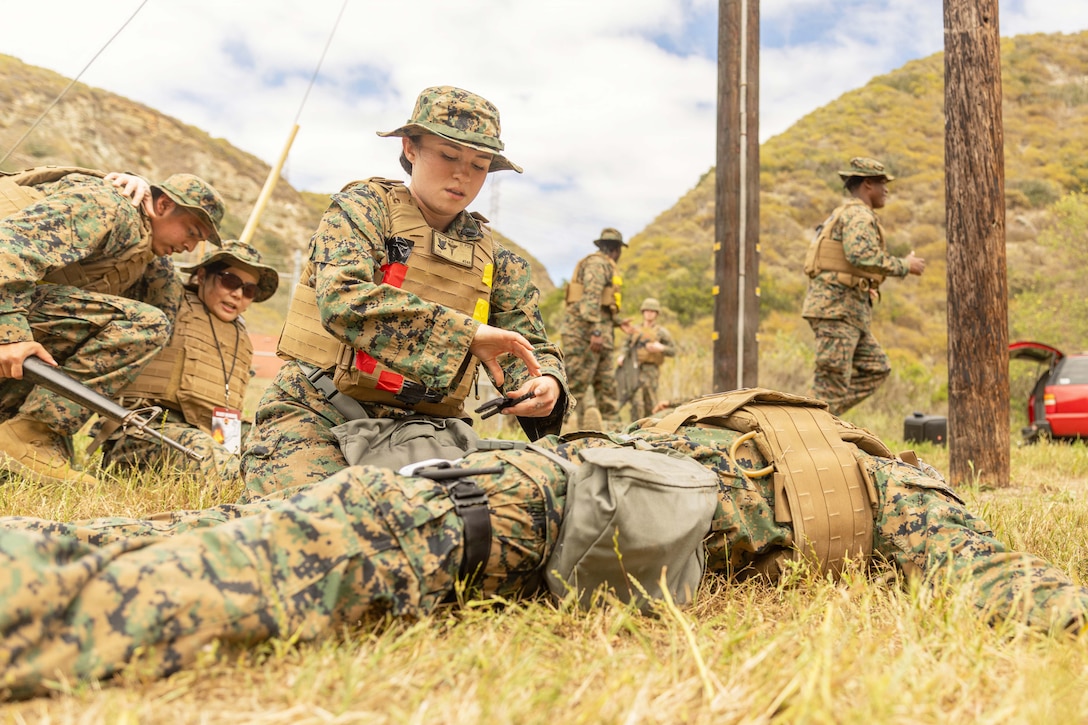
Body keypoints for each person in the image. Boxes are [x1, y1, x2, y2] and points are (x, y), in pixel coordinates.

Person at [1, 387, 1085, 699]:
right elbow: (1000, 577)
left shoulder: (761, 438)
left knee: (225, 530)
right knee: (236, 568)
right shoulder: (882, 483)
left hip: (492, 492)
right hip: (494, 509)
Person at [240, 86, 567, 498]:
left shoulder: (499, 261)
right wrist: (466, 335)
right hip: (320, 412)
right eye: (448, 156)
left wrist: (544, 383)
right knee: (321, 527)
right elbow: (343, 299)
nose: (462, 175)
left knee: (524, 511)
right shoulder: (363, 209)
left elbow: (529, 345)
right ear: (410, 148)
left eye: (479, 165)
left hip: (428, 432)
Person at [0, 167, 225, 484]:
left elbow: (169, 300)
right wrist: (8, 335)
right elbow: (9, 248)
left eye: (199, 240)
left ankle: (24, 437)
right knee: (144, 324)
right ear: (161, 206)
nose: (191, 247)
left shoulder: (147, 257)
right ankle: (28, 434)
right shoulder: (108, 206)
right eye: (191, 231)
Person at [93, 240, 279, 482]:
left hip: (212, 435)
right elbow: (148, 258)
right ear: (201, 276)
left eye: (249, 290)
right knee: (216, 461)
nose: (238, 294)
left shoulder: (240, 337)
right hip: (145, 433)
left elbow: (226, 422)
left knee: (278, 445)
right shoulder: (167, 302)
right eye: (230, 281)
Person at [801, 157, 926, 416]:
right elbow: (861, 254)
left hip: (848, 312)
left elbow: (851, 261)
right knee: (830, 384)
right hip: (836, 311)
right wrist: (905, 265)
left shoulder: (852, 214)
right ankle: (805, 423)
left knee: (876, 368)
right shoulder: (858, 214)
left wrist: (866, 283)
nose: (887, 190)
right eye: (883, 183)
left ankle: (820, 415)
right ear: (868, 184)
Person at [561, 227, 626, 428]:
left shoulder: (606, 265)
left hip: (600, 336)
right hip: (584, 336)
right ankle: (555, 432)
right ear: (616, 249)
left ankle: (613, 433)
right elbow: (591, 298)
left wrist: (617, 322)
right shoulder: (598, 264)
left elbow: (601, 304)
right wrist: (596, 331)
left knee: (607, 388)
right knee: (575, 386)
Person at [617, 297, 675, 420]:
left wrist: (661, 348)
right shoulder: (635, 330)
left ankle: (651, 431)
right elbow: (627, 345)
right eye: (647, 311)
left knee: (651, 403)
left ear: (656, 314)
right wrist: (622, 355)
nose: (649, 313)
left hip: (651, 371)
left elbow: (673, 350)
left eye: (652, 311)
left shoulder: (661, 332)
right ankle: (634, 431)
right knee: (636, 403)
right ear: (643, 312)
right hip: (635, 370)